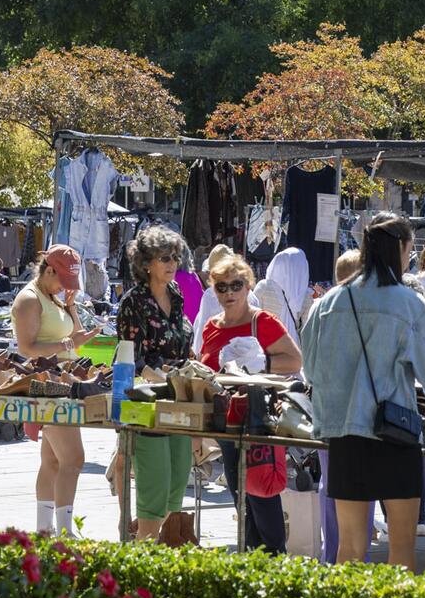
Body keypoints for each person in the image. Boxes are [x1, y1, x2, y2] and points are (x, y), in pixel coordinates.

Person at [302, 214, 425, 568]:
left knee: (349, 550)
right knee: (402, 549)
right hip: (395, 434)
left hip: (344, 436)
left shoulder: (328, 303)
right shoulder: (408, 304)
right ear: (404, 249)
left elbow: (310, 370)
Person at [200, 251, 303, 554]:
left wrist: (259, 365)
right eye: (222, 287)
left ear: (248, 286)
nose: (229, 293)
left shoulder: (263, 322)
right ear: (214, 289)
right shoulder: (211, 326)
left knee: (262, 499)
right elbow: (206, 370)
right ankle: (252, 568)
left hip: (260, 424)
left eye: (236, 285)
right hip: (227, 425)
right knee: (241, 502)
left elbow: (295, 360)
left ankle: (275, 565)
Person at [113, 226, 196, 541]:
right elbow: (128, 357)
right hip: (144, 401)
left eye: (175, 256)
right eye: (164, 258)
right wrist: (157, 375)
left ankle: (160, 558)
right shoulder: (134, 301)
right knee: (154, 492)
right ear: (146, 263)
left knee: (176, 489)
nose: (172, 263)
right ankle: (142, 556)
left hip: (177, 397)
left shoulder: (175, 294)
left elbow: (180, 343)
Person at [12, 245, 101, 535]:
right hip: (47, 385)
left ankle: (45, 529)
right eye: (63, 280)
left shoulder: (51, 296)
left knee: (52, 460)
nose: (66, 288)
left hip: (60, 382)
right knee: (73, 459)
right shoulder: (29, 299)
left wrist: (72, 307)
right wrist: (68, 345)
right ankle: (64, 530)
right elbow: (27, 348)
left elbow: (72, 336)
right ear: (49, 270)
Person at [255, 246, 313, 339]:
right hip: (292, 347)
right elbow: (307, 331)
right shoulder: (306, 296)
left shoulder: (264, 287)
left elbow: (252, 318)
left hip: (265, 345)